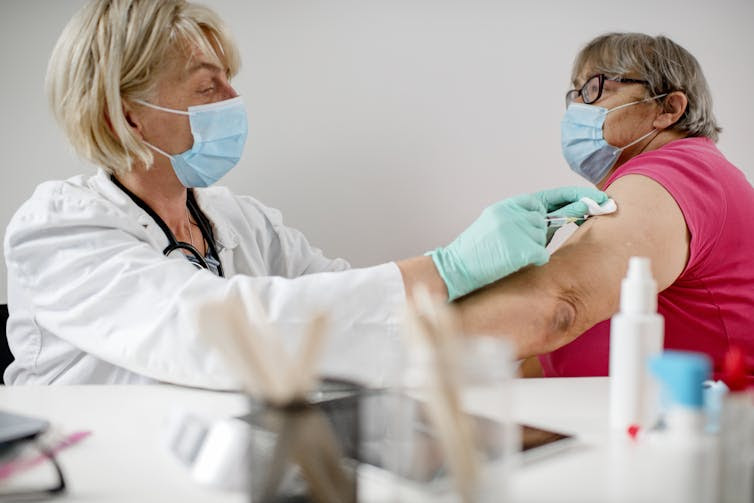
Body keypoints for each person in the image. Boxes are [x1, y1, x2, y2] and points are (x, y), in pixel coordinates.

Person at [2, 0, 604, 386]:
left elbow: (351, 306)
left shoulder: (241, 221)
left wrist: (493, 265)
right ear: (126, 117)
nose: (233, 102)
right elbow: (218, 331)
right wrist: (452, 266)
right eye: (208, 88)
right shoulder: (58, 230)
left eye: (230, 82)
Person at [458, 32, 754, 381]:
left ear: (668, 108)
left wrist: (404, 330)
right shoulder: (679, 176)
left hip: (678, 422)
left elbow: (559, 308)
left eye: (596, 89)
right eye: (576, 93)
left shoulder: (679, 173)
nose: (579, 107)